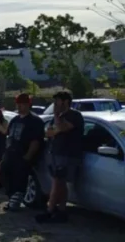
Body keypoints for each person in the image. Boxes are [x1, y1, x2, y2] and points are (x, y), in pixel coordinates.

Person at [36, 91, 84, 223]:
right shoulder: (57, 117)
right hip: (55, 153)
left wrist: (57, 116)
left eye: (57, 101)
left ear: (65, 101)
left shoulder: (75, 115)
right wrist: (56, 126)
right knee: (60, 183)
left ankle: (50, 209)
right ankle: (62, 211)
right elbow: (49, 132)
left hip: (68, 154)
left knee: (58, 181)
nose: (54, 105)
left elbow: (62, 128)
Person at [1, 93, 45, 212]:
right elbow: (9, 135)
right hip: (11, 153)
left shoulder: (35, 121)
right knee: (6, 175)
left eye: (22, 104)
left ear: (28, 105)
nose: (20, 107)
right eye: (18, 104)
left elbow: (36, 140)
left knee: (20, 179)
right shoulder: (15, 119)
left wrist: (28, 156)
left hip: (23, 154)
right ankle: (11, 199)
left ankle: (15, 202)